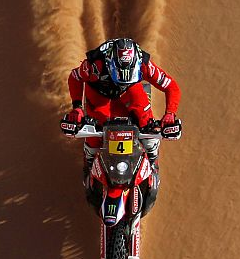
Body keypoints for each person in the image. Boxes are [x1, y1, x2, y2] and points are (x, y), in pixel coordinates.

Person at [59, 38, 182, 213]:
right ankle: (89, 165)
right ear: (109, 64)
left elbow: (171, 87)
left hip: (130, 90)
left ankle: (153, 162)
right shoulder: (94, 65)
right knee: (94, 134)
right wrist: (77, 108)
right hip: (99, 92)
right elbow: (74, 78)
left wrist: (169, 114)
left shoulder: (144, 64)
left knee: (148, 125)